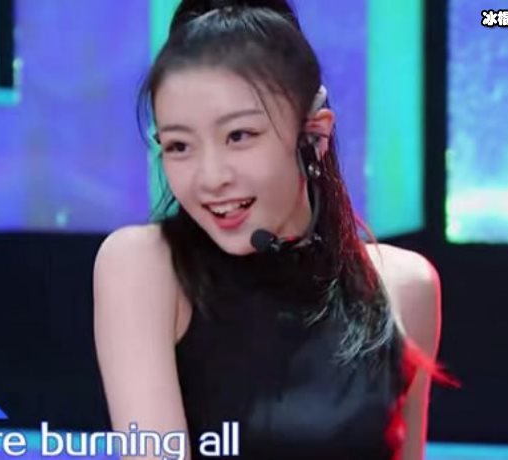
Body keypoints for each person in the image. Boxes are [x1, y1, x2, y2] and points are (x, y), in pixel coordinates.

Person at [94, 1, 445, 458]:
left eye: (239, 136)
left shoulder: (404, 286)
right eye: (179, 145)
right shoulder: (144, 266)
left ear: (314, 134)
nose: (210, 177)